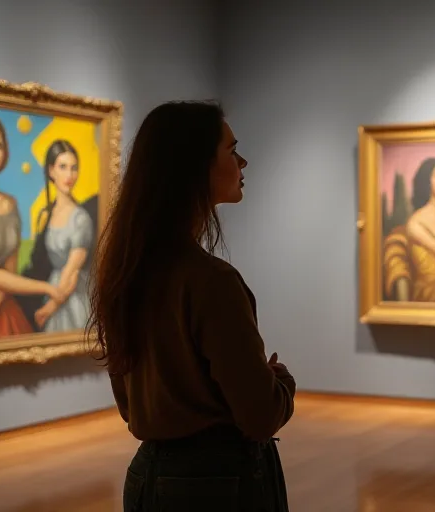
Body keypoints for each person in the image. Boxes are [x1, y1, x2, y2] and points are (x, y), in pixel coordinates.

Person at [87, 100, 296, 511]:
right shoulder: (213, 281)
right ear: (195, 167)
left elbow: (131, 408)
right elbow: (260, 416)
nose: (243, 162)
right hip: (220, 486)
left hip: (147, 478)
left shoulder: (127, 272)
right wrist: (281, 382)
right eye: (232, 150)